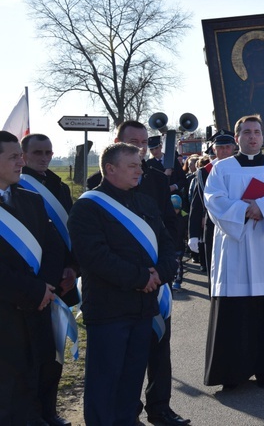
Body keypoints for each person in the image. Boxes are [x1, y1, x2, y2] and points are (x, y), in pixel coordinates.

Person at [86, 121, 188, 426]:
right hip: (119, 294)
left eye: (145, 143)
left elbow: (169, 229)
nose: (142, 150)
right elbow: (98, 250)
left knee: (156, 350)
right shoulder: (95, 190)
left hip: (155, 285)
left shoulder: (153, 182)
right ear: (117, 145)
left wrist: (161, 272)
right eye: (135, 143)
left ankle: (160, 407)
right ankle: (124, 415)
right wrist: (140, 276)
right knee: (116, 369)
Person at [202, 115, 264, 390]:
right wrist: (245, 210)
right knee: (237, 308)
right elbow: (213, 201)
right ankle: (233, 373)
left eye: (257, 132)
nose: (252, 137)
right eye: (246, 132)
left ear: (263, 137)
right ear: (237, 138)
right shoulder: (222, 169)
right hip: (236, 246)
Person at [0, 131, 62, 426]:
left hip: (38, 307)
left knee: (38, 372)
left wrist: (45, 288)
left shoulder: (31, 200)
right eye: (13, 157)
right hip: (6, 311)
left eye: (20, 156)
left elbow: (52, 248)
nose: (21, 163)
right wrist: (33, 290)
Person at [20, 133, 78, 426]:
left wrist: (71, 267)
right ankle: (33, 413)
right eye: (38, 152)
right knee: (34, 355)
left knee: (56, 353)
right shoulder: (19, 186)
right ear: (24, 155)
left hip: (61, 278)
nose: (44, 158)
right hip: (32, 283)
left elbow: (67, 233)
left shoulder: (59, 186)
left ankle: (50, 410)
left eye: (49, 152)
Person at [188, 131, 236, 282]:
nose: (224, 151)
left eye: (228, 147)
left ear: (234, 147)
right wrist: (193, 234)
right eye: (220, 147)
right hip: (213, 225)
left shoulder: (243, 167)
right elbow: (197, 203)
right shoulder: (204, 171)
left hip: (239, 223)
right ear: (214, 150)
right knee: (216, 272)